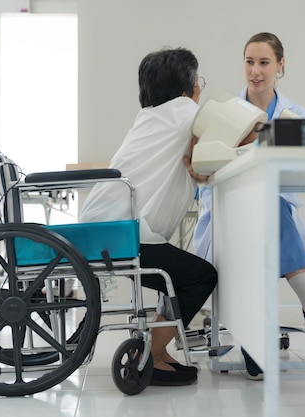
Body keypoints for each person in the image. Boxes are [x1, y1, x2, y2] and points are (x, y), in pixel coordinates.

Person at [192, 32, 305, 380]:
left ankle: (255, 339)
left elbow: (299, 170)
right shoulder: (224, 111)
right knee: (262, 216)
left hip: (274, 215)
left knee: (269, 209)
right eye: (249, 61)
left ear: (280, 66)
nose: (255, 70)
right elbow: (207, 167)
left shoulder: (296, 113)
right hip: (227, 214)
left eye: (264, 62)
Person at [79, 47, 217, 387]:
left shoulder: (152, 117)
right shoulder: (183, 110)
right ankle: (149, 355)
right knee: (200, 276)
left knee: (176, 279)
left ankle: (158, 353)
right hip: (126, 234)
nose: (200, 88)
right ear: (187, 87)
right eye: (197, 80)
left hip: (104, 230)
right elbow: (234, 131)